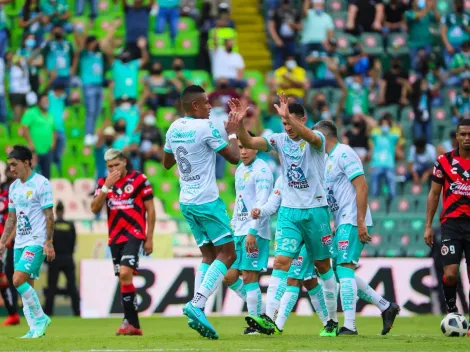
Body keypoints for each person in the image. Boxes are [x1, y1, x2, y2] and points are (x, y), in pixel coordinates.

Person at [236, 94, 338, 336]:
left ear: (303, 119)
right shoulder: (279, 140)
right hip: (289, 212)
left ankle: (332, 321)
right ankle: (269, 318)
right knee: (281, 263)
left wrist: (289, 119)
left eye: (291, 122)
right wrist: (239, 126)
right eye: (284, 124)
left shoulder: (317, 139)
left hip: (315, 211)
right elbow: (249, 143)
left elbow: (310, 136)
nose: (288, 128)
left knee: (323, 266)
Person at [162, 85, 242, 339]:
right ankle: (196, 304)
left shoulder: (174, 127)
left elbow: (166, 163)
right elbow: (234, 158)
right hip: (207, 201)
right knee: (228, 254)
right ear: (194, 106)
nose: (209, 107)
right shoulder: (205, 127)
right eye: (206, 103)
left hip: (186, 201)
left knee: (209, 255)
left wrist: (186, 150)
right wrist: (232, 133)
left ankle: (200, 309)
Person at [314, 120, 400, 335]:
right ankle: (385, 306)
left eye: (315, 136)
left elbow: (361, 185)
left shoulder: (344, 153)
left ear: (323, 136)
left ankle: (349, 326)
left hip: (353, 218)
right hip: (342, 220)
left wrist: (360, 220)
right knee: (340, 270)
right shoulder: (325, 159)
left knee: (344, 269)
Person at [251, 177, 329, 334]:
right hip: (291, 229)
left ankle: (276, 323)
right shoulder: (283, 178)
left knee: (295, 277)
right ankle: (329, 323)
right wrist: (261, 211)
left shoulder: (312, 171)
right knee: (308, 280)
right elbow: (273, 203)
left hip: (310, 228)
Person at [90, 148, 156, 335]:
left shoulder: (140, 180)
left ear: (125, 162)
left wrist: (149, 237)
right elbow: (94, 208)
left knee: (126, 273)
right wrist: (105, 187)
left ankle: (133, 324)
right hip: (115, 238)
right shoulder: (104, 183)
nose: (114, 169)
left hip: (134, 234)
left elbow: (150, 209)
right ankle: (129, 322)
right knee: (123, 279)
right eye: (110, 166)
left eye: (117, 165)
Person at [0, 145, 55, 338]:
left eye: (14, 164)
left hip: (37, 240)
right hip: (20, 242)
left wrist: (48, 242)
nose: (11, 169)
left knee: (17, 280)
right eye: (9, 165)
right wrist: (2, 241)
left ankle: (41, 318)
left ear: (26, 162)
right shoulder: (14, 187)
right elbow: (11, 218)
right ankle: (35, 329)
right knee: (26, 288)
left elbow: (49, 215)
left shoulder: (42, 183)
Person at [223, 132, 273, 335]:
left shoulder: (262, 170)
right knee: (229, 276)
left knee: (249, 277)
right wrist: (233, 225)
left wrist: (252, 230)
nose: (243, 151)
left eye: (246, 147)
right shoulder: (239, 169)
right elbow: (240, 200)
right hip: (239, 230)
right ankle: (262, 314)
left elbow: (261, 202)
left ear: (256, 147)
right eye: (240, 147)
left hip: (255, 231)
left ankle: (256, 325)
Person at [425, 119, 470, 330]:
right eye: (463, 134)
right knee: (450, 273)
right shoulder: (443, 161)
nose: (467, 138)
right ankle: (452, 311)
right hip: (451, 224)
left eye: (469, 134)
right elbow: (434, 194)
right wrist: (427, 225)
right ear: (457, 137)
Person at [44, 201, 79, 316]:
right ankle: (77, 313)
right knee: (73, 287)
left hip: (54, 258)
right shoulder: (70, 225)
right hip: (68, 258)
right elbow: (74, 242)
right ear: (63, 211)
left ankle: (48, 313)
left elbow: (47, 241)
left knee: (51, 288)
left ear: (56, 211)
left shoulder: (51, 225)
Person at [0, 167, 20, 326]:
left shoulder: (9, 196)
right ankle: (12, 313)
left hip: (6, 243)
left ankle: (14, 313)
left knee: (8, 277)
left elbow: (15, 220)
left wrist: (8, 239)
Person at [21, 94, 57, 180]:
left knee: (46, 175)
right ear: (39, 102)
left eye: (47, 101)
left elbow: (54, 131)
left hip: (47, 150)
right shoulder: (31, 112)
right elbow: (24, 128)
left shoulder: (50, 115)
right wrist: (30, 143)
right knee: (32, 174)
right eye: (44, 101)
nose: (46, 103)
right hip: (34, 150)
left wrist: (53, 143)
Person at [268, 0, 301, 69]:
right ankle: (277, 78)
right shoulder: (277, 11)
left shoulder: (295, 11)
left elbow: (300, 26)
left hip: (291, 40)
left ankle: (292, 78)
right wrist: (277, 39)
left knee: (291, 61)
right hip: (280, 39)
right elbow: (271, 26)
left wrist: (293, 26)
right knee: (278, 62)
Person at [440, 0, 470, 69]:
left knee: (466, 67)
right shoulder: (448, 16)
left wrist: (466, 28)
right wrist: (448, 45)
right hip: (452, 47)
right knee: (451, 67)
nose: (459, 5)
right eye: (457, 3)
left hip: (466, 46)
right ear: (454, 4)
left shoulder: (467, 16)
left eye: (460, 3)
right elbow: (443, 32)